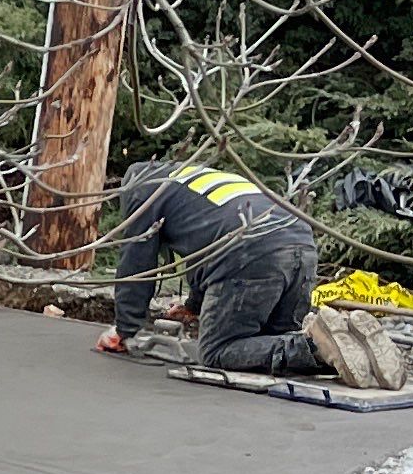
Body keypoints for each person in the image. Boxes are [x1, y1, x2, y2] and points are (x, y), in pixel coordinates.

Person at [103, 160, 390, 382]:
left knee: (218, 351)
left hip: (251, 250)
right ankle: (348, 345)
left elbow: (136, 263)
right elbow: (204, 244)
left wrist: (124, 329)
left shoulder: (143, 189)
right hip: (300, 244)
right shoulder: (196, 179)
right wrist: (193, 306)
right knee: (275, 341)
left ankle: (315, 346)